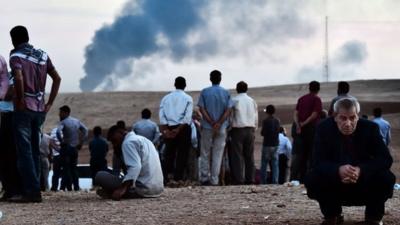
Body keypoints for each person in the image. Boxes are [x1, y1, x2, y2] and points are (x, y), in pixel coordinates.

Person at [305, 98, 395, 225]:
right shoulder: (323, 128)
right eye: (343, 118)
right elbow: (317, 161)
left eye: (352, 118)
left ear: (357, 116)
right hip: (335, 183)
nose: (348, 123)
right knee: (312, 178)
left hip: (363, 182)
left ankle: (373, 218)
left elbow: (385, 159)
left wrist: (361, 170)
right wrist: (337, 170)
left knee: (386, 178)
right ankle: (332, 215)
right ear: (335, 117)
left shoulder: (370, 128)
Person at [9, 25, 61, 202]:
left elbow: (18, 77)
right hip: (40, 109)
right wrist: (50, 103)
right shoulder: (43, 55)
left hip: (24, 109)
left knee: (24, 152)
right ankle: (36, 188)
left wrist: (21, 98)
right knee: (35, 150)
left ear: (13, 39)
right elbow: (57, 78)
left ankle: (31, 192)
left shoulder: (15, 56)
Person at [95, 125, 164, 200]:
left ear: (121, 132)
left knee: (100, 175)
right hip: (158, 189)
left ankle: (120, 192)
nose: (114, 144)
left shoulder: (128, 143)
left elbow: (135, 167)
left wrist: (122, 189)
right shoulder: (145, 140)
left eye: (114, 140)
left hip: (143, 189)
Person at [198, 70, 232, 185]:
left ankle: (204, 178)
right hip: (221, 128)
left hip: (207, 127)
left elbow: (202, 109)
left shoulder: (205, 92)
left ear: (210, 78)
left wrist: (212, 122)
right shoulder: (226, 93)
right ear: (220, 79)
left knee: (205, 152)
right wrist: (219, 123)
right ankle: (214, 179)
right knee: (218, 154)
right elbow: (228, 110)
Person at [159, 76, 193, 182]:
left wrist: (166, 130)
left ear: (175, 85)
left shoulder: (166, 98)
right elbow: (187, 118)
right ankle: (178, 178)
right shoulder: (188, 98)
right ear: (185, 85)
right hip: (183, 129)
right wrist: (178, 130)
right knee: (182, 154)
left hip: (169, 128)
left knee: (168, 154)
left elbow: (162, 115)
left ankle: (165, 178)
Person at [0, 53, 22, 201]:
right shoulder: (9, 76)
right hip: (5, 115)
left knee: (9, 155)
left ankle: (13, 189)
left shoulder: (15, 78)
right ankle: (9, 189)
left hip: (9, 116)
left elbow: (9, 94)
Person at [292, 80, 322, 183]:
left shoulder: (301, 99)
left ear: (309, 88)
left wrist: (298, 125)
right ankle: (310, 179)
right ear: (318, 89)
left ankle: (302, 179)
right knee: (311, 155)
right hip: (311, 130)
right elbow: (314, 114)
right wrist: (304, 123)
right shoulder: (317, 99)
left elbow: (295, 113)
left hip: (301, 131)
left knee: (302, 155)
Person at [228, 81, 258, 185]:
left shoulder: (234, 100)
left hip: (237, 129)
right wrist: (254, 128)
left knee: (237, 155)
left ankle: (239, 179)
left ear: (237, 89)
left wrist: (229, 128)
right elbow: (255, 116)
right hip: (250, 129)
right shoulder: (252, 101)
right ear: (247, 89)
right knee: (249, 156)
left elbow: (231, 116)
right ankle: (250, 179)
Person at [56, 105, 88, 191]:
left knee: (66, 168)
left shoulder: (63, 122)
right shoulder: (76, 121)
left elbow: (58, 132)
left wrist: (61, 141)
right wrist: (81, 142)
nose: (59, 115)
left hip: (66, 147)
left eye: (60, 113)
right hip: (74, 148)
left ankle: (65, 187)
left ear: (66, 113)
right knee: (74, 168)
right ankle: (76, 187)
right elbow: (85, 130)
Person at [260, 105, 280, 184]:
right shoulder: (277, 120)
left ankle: (263, 181)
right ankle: (275, 181)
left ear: (267, 112)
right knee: (275, 164)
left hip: (267, 144)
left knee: (264, 164)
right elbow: (278, 131)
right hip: (275, 144)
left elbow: (263, 133)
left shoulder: (265, 121)